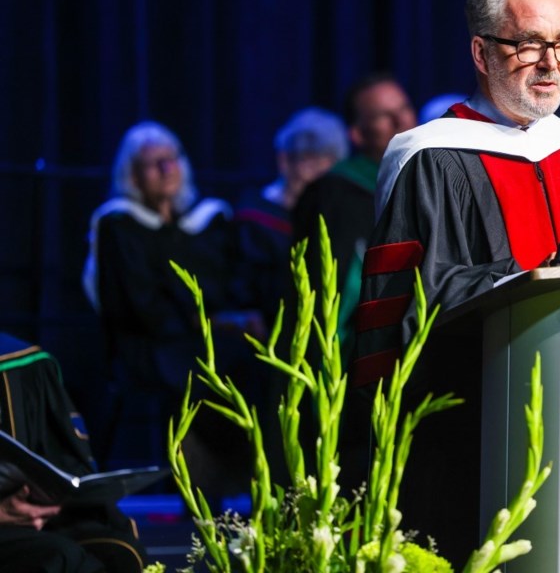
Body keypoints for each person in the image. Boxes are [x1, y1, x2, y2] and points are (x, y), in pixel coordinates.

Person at [355, 0, 560, 566]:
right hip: (476, 436)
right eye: (530, 44)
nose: (550, 63)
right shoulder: (432, 159)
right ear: (483, 54)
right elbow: (412, 303)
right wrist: (533, 283)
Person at [82, 121, 258, 493]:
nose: (166, 169)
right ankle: (200, 489)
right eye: (152, 163)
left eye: (171, 159)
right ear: (132, 174)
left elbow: (232, 284)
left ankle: (247, 484)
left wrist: (223, 320)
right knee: (198, 372)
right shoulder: (119, 225)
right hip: (149, 344)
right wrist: (202, 321)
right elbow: (134, 304)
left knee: (252, 363)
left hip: (208, 337)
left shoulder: (210, 220)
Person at [292, 75, 417, 357]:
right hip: (358, 350)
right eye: (384, 116)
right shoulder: (334, 193)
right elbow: (327, 288)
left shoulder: (428, 180)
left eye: (404, 108)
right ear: (358, 134)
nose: (402, 121)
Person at [0, 332, 147, 572]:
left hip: (33, 524)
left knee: (117, 549)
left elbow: (61, 461)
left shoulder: (23, 362)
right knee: (58, 557)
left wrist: (53, 498)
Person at [234, 107, 348, 326]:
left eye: (326, 158)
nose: (315, 168)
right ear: (285, 160)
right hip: (271, 321)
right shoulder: (255, 217)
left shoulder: (336, 211)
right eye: (307, 156)